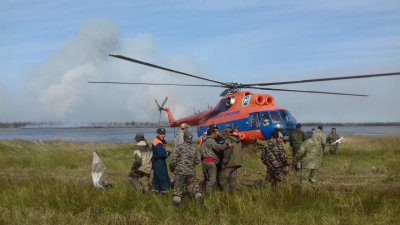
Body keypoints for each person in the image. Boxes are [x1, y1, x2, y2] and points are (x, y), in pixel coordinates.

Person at [169, 131, 203, 205]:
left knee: (178, 189)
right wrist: (191, 165)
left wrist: (172, 168)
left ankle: (176, 203)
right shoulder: (195, 148)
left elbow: (173, 160)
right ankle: (199, 199)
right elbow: (197, 161)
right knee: (194, 187)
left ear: (184, 138)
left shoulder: (179, 147)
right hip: (191, 171)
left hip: (179, 171)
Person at [202, 127, 232, 193]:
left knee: (208, 179)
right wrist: (227, 145)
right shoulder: (211, 140)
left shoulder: (205, 140)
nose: (217, 134)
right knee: (212, 180)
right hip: (210, 162)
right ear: (212, 133)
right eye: (215, 133)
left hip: (205, 161)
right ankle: (209, 196)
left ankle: (206, 192)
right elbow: (218, 147)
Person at [220, 126, 243, 192]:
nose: (225, 133)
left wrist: (224, 163)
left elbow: (227, 153)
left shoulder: (228, 140)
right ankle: (233, 194)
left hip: (229, 163)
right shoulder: (239, 140)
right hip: (237, 163)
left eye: (226, 131)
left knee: (223, 179)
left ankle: (226, 195)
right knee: (232, 179)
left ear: (228, 132)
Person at [151, 128, 171, 193]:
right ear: (158, 134)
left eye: (164, 134)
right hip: (159, 162)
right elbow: (162, 154)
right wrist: (167, 153)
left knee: (156, 177)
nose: (163, 135)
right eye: (161, 134)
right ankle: (164, 191)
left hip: (156, 161)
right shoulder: (158, 143)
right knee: (163, 176)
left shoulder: (157, 140)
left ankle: (155, 190)